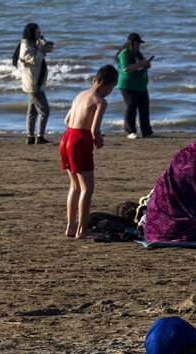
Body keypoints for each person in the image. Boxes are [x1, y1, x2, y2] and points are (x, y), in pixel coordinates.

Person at [60, 65, 117, 239]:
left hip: (67, 137)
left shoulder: (80, 95)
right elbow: (94, 129)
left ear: (94, 80)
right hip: (79, 141)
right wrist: (97, 140)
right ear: (110, 86)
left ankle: (71, 226)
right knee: (88, 188)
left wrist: (88, 133)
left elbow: (66, 120)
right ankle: (82, 230)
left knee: (74, 186)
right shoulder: (101, 101)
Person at [15, 23, 55, 145]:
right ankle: (40, 136)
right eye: (37, 31)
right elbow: (35, 60)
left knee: (32, 111)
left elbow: (48, 50)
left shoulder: (33, 44)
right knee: (45, 110)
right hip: (33, 83)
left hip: (35, 82)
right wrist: (41, 49)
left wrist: (46, 44)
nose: (39, 33)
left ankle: (30, 136)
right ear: (31, 32)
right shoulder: (25, 46)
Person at [116, 33, 158, 139]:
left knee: (144, 108)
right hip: (128, 85)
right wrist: (142, 64)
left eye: (139, 43)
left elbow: (140, 65)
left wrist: (146, 64)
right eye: (137, 43)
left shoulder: (137, 53)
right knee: (131, 108)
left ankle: (147, 131)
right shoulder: (125, 53)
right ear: (131, 42)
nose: (138, 45)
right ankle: (130, 131)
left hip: (141, 85)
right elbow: (126, 68)